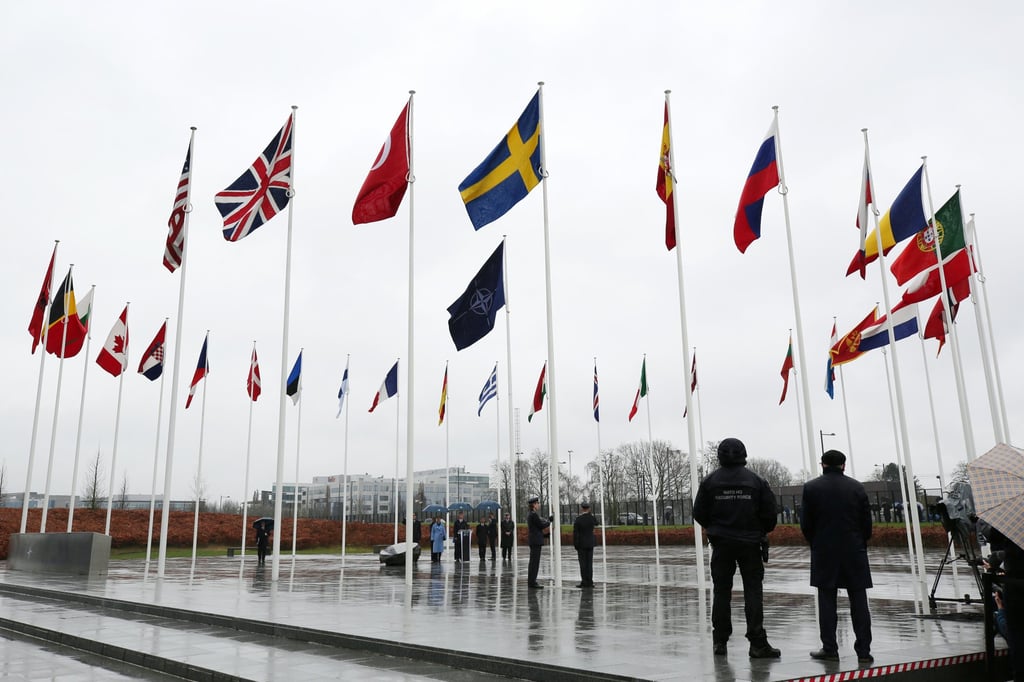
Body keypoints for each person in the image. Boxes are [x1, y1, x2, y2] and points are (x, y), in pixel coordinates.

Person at [693, 437, 780, 659]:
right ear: (744, 454)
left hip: (721, 543)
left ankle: (720, 640)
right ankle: (757, 642)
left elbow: (699, 513)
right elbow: (770, 515)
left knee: (721, 591)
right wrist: (759, 529)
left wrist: (715, 527)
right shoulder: (756, 481)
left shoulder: (710, 482)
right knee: (753, 591)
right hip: (750, 543)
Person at [800, 449, 873, 664]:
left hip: (824, 549)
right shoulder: (857, 488)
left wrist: (816, 541)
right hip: (854, 549)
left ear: (822, 464)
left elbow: (806, 523)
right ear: (844, 465)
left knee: (826, 599)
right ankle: (864, 650)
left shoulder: (811, 488)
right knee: (859, 599)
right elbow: (866, 524)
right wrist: (859, 541)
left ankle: (830, 647)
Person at [526, 495, 552, 589]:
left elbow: (537, 528)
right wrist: (549, 521)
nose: (539, 505)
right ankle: (532, 582)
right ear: (534, 504)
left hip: (535, 540)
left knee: (534, 562)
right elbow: (541, 525)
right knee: (534, 562)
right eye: (537, 503)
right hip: (535, 541)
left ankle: (532, 581)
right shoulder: (533, 514)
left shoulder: (531, 514)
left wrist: (545, 534)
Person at [573, 501, 598, 588]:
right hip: (590, 544)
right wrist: (590, 514)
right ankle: (590, 582)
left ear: (581, 509)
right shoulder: (592, 518)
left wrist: (575, 544)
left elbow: (575, 533)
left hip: (581, 544)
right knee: (589, 563)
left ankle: (584, 581)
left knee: (583, 564)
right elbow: (596, 523)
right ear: (589, 509)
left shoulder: (578, 519)